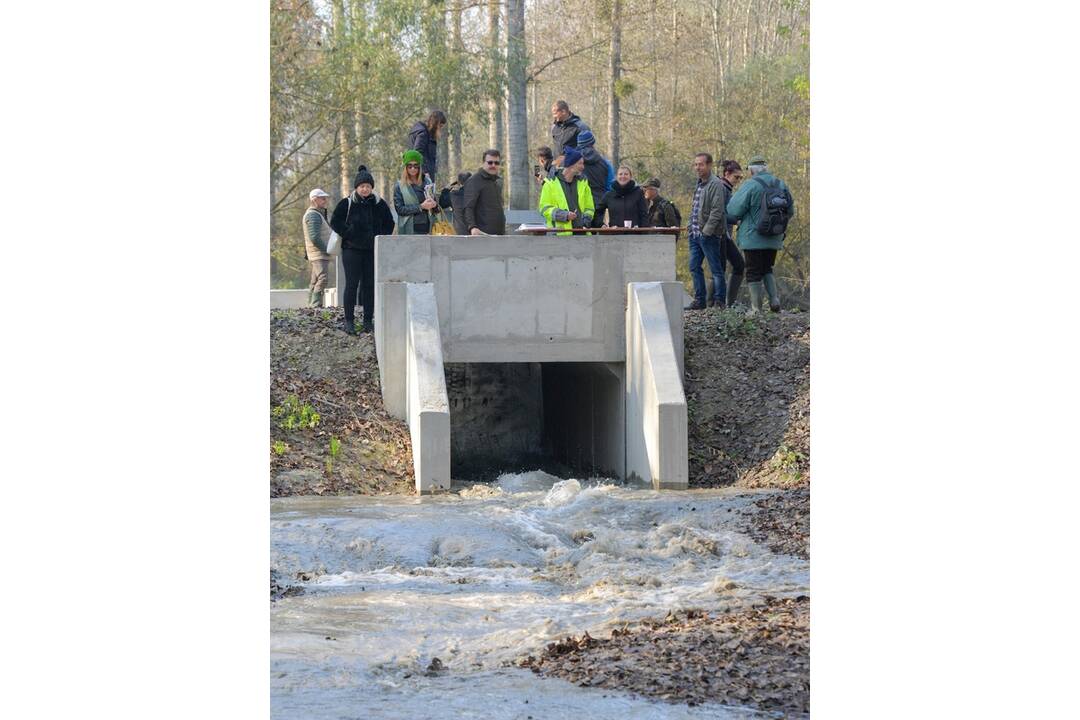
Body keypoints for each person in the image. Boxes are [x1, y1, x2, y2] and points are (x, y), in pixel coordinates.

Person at [330, 165, 395, 334]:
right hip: (351, 250)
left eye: (367, 186)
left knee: (369, 285)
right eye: (361, 186)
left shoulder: (379, 204)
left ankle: (367, 321)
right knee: (351, 285)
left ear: (372, 187)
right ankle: (349, 321)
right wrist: (349, 233)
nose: (365, 189)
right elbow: (335, 221)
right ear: (356, 187)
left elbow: (390, 223)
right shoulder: (347, 203)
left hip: (371, 251)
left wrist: (379, 237)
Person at [726, 154, 795, 313]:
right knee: (767, 268)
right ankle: (774, 300)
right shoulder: (781, 184)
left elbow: (733, 210)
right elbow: (790, 211)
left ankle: (756, 309)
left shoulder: (751, 185)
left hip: (753, 238)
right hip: (774, 236)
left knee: (753, 271)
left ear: (751, 170)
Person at [686, 153, 727, 310]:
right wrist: (690, 226)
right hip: (694, 234)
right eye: (696, 164)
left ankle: (719, 301)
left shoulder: (716, 184)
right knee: (694, 266)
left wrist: (707, 231)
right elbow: (695, 208)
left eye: (701, 164)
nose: (697, 167)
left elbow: (717, 210)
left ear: (709, 165)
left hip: (708, 235)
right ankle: (700, 300)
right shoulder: (699, 183)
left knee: (716, 269)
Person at [539, 146, 595, 234]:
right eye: (580, 163)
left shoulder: (584, 183)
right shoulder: (550, 183)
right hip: (559, 236)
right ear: (571, 165)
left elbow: (590, 208)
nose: (583, 167)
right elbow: (544, 208)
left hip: (583, 235)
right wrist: (564, 215)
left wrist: (585, 221)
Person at [719, 160, 747, 306]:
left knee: (734, 265)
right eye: (736, 177)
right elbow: (719, 213)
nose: (738, 180)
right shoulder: (721, 188)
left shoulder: (727, 189)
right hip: (719, 233)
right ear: (727, 174)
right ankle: (717, 303)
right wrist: (737, 220)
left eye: (740, 178)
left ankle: (727, 302)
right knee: (724, 267)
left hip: (725, 234)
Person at [393, 149, 439, 235]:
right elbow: (400, 209)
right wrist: (420, 207)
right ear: (405, 167)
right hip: (410, 228)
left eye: (415, 166)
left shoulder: (427, 181)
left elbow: (436, 206)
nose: (413, 169)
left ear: (419, 167)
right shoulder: (399, 186)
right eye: (409, 166)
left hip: (429, 228)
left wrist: (434, 205)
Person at [462, 149, 506, 235]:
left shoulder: (497, 182)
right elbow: (468, 207)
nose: (493, 165)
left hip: (499, 235)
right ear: (483, 163)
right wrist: (472, 227)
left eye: (496, 163)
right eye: (490, 162)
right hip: (481, 235)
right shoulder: (474, 181)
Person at [302, 188, 332, 307]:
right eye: (322, 198)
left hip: (318, 253)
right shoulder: (313, 215)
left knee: (315, 280)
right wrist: (326, 249)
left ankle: (311, 305)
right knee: (323, 278)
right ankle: (315, 305)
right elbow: (314, 237)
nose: (325, 200)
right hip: (318, 253)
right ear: (314, 200)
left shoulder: (316, 213)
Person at [575, 129, 615, 209]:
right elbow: (610, 187)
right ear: (593, 143)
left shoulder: (573, 162)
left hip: (579, 203)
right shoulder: (606, 163)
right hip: (599, 203)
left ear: (579, 144)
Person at [407, 109, 447, 184]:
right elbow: (417, 152)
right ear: (436, 124)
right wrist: (425, 171)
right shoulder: (423, 134)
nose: (440, 129)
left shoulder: (424, 133)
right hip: (421, 176)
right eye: (440, 126)